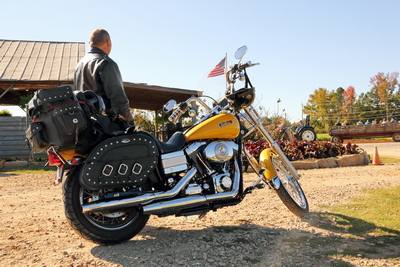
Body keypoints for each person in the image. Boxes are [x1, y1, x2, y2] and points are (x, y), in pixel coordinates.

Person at [74, 29, 134, 126]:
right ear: (108, 42)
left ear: (90, 43)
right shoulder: (105, 63)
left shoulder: (79, 65)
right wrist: (129, 122)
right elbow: (118, 99)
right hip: (105, 125)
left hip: (86, 125)